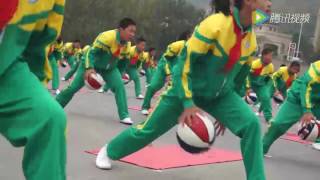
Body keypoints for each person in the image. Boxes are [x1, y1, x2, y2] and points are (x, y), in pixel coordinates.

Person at [95, 1, 272, 179]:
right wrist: (187, 102)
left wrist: (228, 113)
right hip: (186, 90)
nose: (270, 3)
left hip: (220, 96)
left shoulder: (250, 39)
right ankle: (109, 150)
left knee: (251, 125)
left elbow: (239, 77)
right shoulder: (214, 25)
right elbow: (183, 65)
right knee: (147, 131)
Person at [0, 0, 67, 179]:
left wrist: (36, 88)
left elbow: (37, 43)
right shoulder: (107, 38)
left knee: (49, 117)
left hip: (6, 66)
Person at [84, 18, 137, 125]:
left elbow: (124, 61)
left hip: (110, 69)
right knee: (73, 88)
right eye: (130, 31)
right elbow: (91, 53)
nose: (132, 34)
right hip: (92, 65)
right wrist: (89, 68)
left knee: (119, 87)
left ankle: (124, 116)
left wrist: (121, 73)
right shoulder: (107, 37)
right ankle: (57, 104)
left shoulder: (127, 45)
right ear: (121, 29)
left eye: (134, 32)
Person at [263, 60, 320, 153]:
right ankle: (261, 148)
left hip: (317, 103)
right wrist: (307, 110)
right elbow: (306, 86)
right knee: (277, 124)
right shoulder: (317, 67)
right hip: (297, 98)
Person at [141, 31, 191, 115]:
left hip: (176, 71)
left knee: (172, 91)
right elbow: (165, 59)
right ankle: (145, 107)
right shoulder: (178, 45)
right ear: (187, 37)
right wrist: (168, 73)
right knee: (154, 86)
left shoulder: (194, 50)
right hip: (163, 67)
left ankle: (160, 110)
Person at [249, 48, 274, 123]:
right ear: (263, 56)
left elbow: (268, 78)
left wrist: (265, 88)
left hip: (261, 86)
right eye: (269, 56)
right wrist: (248, 88)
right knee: (238, 94)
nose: (270, 58)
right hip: (251, 83)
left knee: (266, 97)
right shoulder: (255, 64)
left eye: (271, 56)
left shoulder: (271, 67)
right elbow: (247, 76)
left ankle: (269, 118)